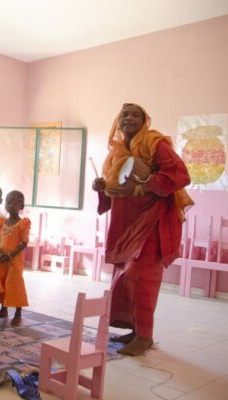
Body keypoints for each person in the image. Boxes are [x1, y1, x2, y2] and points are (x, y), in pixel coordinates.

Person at [92, 103, 192, 356]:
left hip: (151, 222)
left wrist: (147, 182)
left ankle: (145, 335)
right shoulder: (115, 153)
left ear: (145, 120)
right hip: (124, 223)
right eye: (124, 114)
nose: (129, 118)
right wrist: (102, 187)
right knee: (125, 276)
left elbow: (180, 175)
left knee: (142, 276)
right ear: (118, 120)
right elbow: (114, 188)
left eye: (136, 114)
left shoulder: (154, 142)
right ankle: (135, 330)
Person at [0, 190, 30, 327]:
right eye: (9, 202)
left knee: (14, 285)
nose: (11, 205)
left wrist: (9, 255)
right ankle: (3, 310)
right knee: (2, 283)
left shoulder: (23, 224)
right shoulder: (1, 221)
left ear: (21, 206)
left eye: (16, 203)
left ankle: (18, 314)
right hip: (1, 260)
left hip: (14, 262)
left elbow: (23, 244)